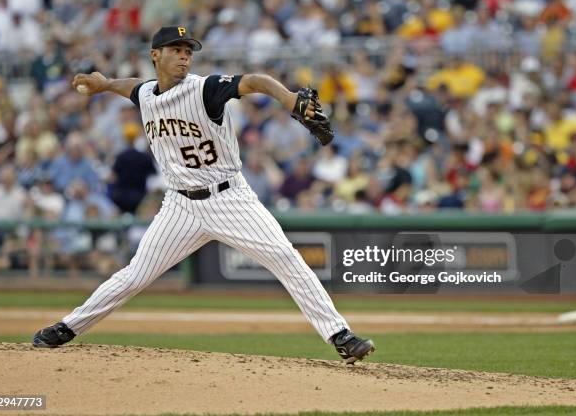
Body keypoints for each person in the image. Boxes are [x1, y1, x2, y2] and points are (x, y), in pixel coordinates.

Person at [32, 25, 374, 364]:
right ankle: (68, 327)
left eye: (188, 51)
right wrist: (105, 84)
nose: (184, 56)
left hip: (229, 199)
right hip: (179, 206)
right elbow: (134, 88)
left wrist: (287, 98)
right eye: (176, 49)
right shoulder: (148, 94)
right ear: (155, 55)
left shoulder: (205, 89)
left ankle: (339, 335)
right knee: (135, 275)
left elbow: (255, 80)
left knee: (286, 258)